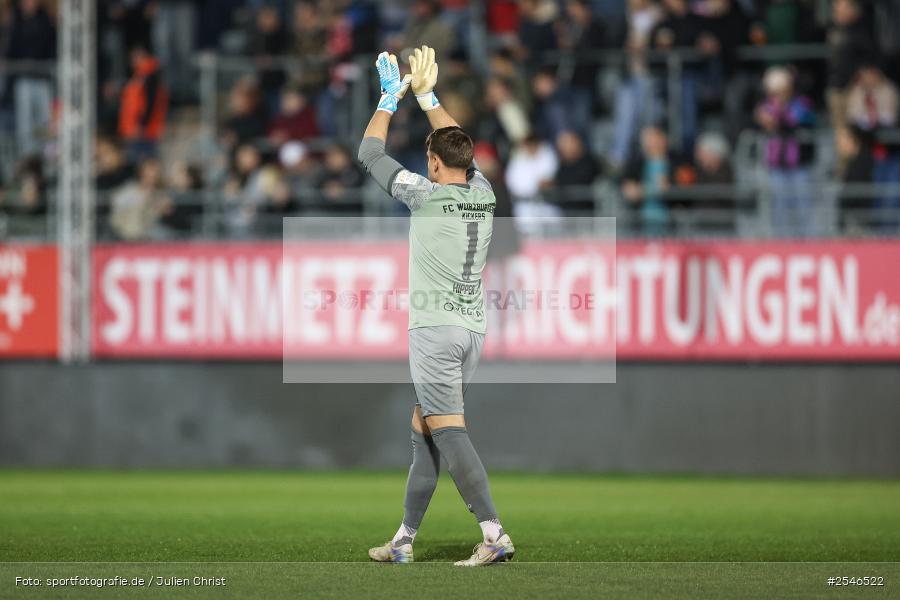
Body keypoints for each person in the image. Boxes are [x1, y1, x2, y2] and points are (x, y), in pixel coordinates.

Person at [358, 46, 514, 567]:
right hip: (471, 331)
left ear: (431, 163)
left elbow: (370, 155)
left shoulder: (423, 194)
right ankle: (404, 539)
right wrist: (427, 97)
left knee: (448, 432)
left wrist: (389, 98)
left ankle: (494, 534)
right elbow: (457, 147)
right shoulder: (485, 192)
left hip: (435, 330)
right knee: (424, 431)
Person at [754, 66, 816, 237]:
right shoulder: (765, 106)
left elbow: (796, 120)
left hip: (799, 164)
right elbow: (763, 123)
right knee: (779, 205)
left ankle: (807, 241)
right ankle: (782, 241)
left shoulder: (801, 103)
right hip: (776, 164)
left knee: (802, 205)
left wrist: (778, 113)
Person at [118, 45, 168, 162]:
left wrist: (142, 124)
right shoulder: (141, 75)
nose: (133, 60)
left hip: (144, 131)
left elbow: (151, 102)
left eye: (136, 56)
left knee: (142, 162)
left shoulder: (150, 75)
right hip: (139, 129)